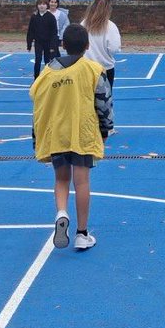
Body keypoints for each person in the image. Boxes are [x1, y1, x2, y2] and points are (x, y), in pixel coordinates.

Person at [31, 25, 112, 251]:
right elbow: (104, 102)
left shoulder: (47, 73)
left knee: (61, 180)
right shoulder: (93, 69)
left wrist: (37, 136)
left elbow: (38, 105)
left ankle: (61, 213)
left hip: (57, 133)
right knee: (82, 181)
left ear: (62, 45)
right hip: (82, 132)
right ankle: (82, 233)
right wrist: (106, 129)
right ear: (87, 46)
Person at [81, 0, 120, 133]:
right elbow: (114, 48)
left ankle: (88, 125)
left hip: (87, 67)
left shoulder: (84, 23)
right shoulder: (111, 27)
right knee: (105, 98)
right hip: (105, 68)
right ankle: (107, 127)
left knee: (87, 97)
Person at [26, 0, 58, 79]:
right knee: (38, 60)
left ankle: (47, 78)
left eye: (43, 4)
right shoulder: (34, 17)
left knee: (47, 61)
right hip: (38, 42)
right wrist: (29, 44)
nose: (41, 6)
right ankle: (36, 78)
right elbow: (30, 31)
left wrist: (52, 46)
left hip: (48, 43)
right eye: (40, 4)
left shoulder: (51, 17)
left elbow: (54, 33)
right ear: (37, 6)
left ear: (47, 6)